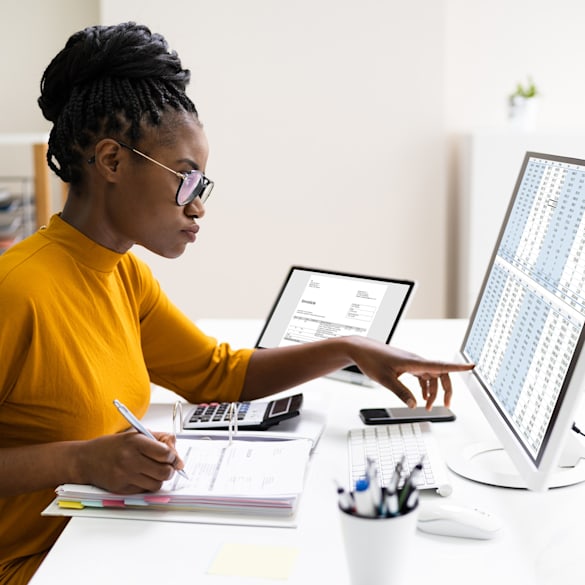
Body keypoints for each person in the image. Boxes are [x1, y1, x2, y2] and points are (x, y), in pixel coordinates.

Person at [0, 22, 473, 584]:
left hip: (105, 540)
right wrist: (81, 460)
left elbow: (219, 376)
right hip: (39, 566)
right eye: (185, 179)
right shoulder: (18, 289)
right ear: (111, 161)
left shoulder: (124, 275)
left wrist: (350, 349)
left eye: (203, 186)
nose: (198, 206)